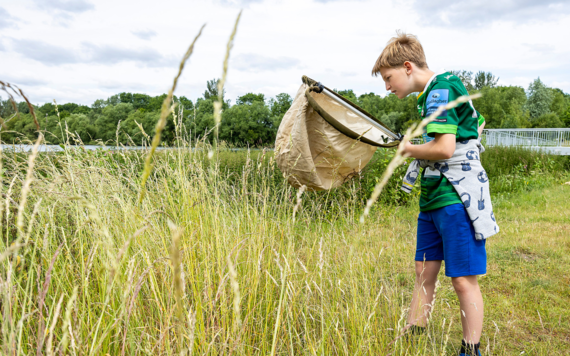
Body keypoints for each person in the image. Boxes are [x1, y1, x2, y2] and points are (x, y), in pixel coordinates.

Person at [371, 31, 497, 356]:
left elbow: (443, 148)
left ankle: (471, 350)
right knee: (424, 270)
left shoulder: (440, 89)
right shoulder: (435, 92)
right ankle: (415, 333)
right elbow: (477, 121)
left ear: (408, 66)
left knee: (463, 279)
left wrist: (409, 149)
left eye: (388, 78)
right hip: (432, 197)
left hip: (457, 198)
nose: (386, 87)